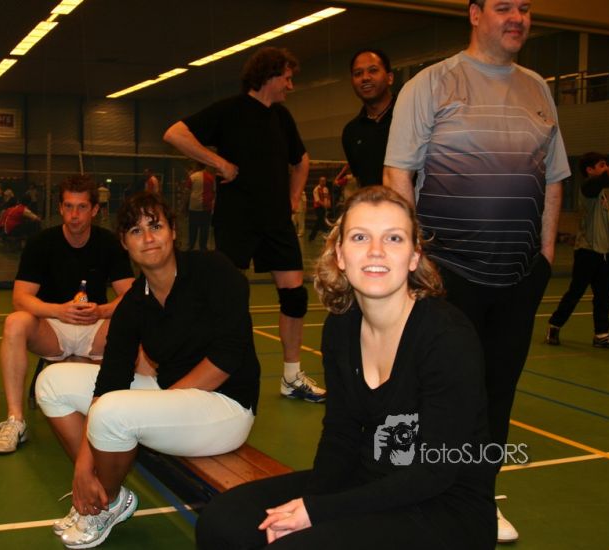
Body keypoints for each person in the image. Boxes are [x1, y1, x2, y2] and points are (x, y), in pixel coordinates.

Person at [196, 186, 495, 550]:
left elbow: (434, 472)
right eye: (360, 237)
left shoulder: (447, 336)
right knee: (223, 521)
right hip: (367, 480)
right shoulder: (341, 326)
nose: (375, 251)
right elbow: (341, 434)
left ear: (414, 256)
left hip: (444, 508)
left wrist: (317, 512)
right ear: (339, 254)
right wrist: (311, 503)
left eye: (394, 238)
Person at [383, 0, 571, 541]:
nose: (517, 18)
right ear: (474, 13)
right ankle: (419, 498)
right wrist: (415, 261)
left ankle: (478, 500)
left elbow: (553, 177)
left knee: (497, 396)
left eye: (525, 8)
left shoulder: (538, 89)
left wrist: (544, 258)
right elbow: (398, 175)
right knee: (437, 395)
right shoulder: (431, 84)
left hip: (518, 277)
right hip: (448, 275)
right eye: (503, 6)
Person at [35, 191, 260, 549]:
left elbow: (227, 358)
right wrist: (82, 467)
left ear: (173, 231)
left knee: (112, 412)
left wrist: (161, 402)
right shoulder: (133, 303)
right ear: (125, 243)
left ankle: (105, 503)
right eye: (136, 231)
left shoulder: (214, 270)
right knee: (51, 383)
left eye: (156, 226)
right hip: (170, 397)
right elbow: (110, 381)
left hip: (225, 408)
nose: (148, 238)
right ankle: (101, 488)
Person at [164, 46, 325, 402]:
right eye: (287, 78)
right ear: (269, 76)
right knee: (228, 297)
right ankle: (218, 372)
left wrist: (294, 196)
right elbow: (175, 133)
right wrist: (218, 163)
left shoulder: (282, 117)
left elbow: (301, 160)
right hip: (237, 220)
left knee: (295, 297)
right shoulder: (230, 110)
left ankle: (291, 377)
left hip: (276, 223)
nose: (291, 85)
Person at [0, 175, 135, 455]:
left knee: (137, 320)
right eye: (68, 206)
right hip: (53, 328)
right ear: (60, 208)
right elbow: (20, 298)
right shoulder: (41, 243)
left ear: (95, 210)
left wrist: (101, 311)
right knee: (15, 322)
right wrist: (58, 310)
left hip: (95, 327)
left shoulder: (109, 243)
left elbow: (130, 295)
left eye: (82, 207)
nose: (74, 215)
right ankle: (15, 420)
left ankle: (131, 411)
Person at [547, 152, 609, 349]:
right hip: (587, 252)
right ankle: (555, 325)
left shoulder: (602, 194)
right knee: (575, 292)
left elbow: (601, 223)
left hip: (604, 253)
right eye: (601, 165)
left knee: (603, 297)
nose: (605, 168)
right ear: (590, 170)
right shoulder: (588, 188)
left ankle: (601, 335)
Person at [341, 49, 395, 188]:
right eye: (358, 73)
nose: (365, 78)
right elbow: (360, 181)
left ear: (390, 78)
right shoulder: (351, 132)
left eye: (373, 70)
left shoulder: (412, 116)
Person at [184, 162, 215, 250]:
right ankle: (203, 248)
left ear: (197, 166)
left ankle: (191, 247)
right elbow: (213, 192)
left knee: (193, 228)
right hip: (207, 207)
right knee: (204, 229)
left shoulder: (193, 177)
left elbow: (187, 193)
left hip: (194, 207)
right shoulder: (211, 178)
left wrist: (184, 206)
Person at [308, 176, 331, 242]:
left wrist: (329, 203)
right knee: (320, 220)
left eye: (324, 181)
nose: (323, 182)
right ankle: (325, 232)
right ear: (319, 181)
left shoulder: (326, 189)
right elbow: (317, 200)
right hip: (318, 207)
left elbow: (328, 197)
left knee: (319, 221)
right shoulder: (316, 189)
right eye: (322, 181)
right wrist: (324, 205)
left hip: (324, 207)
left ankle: (312, 236)